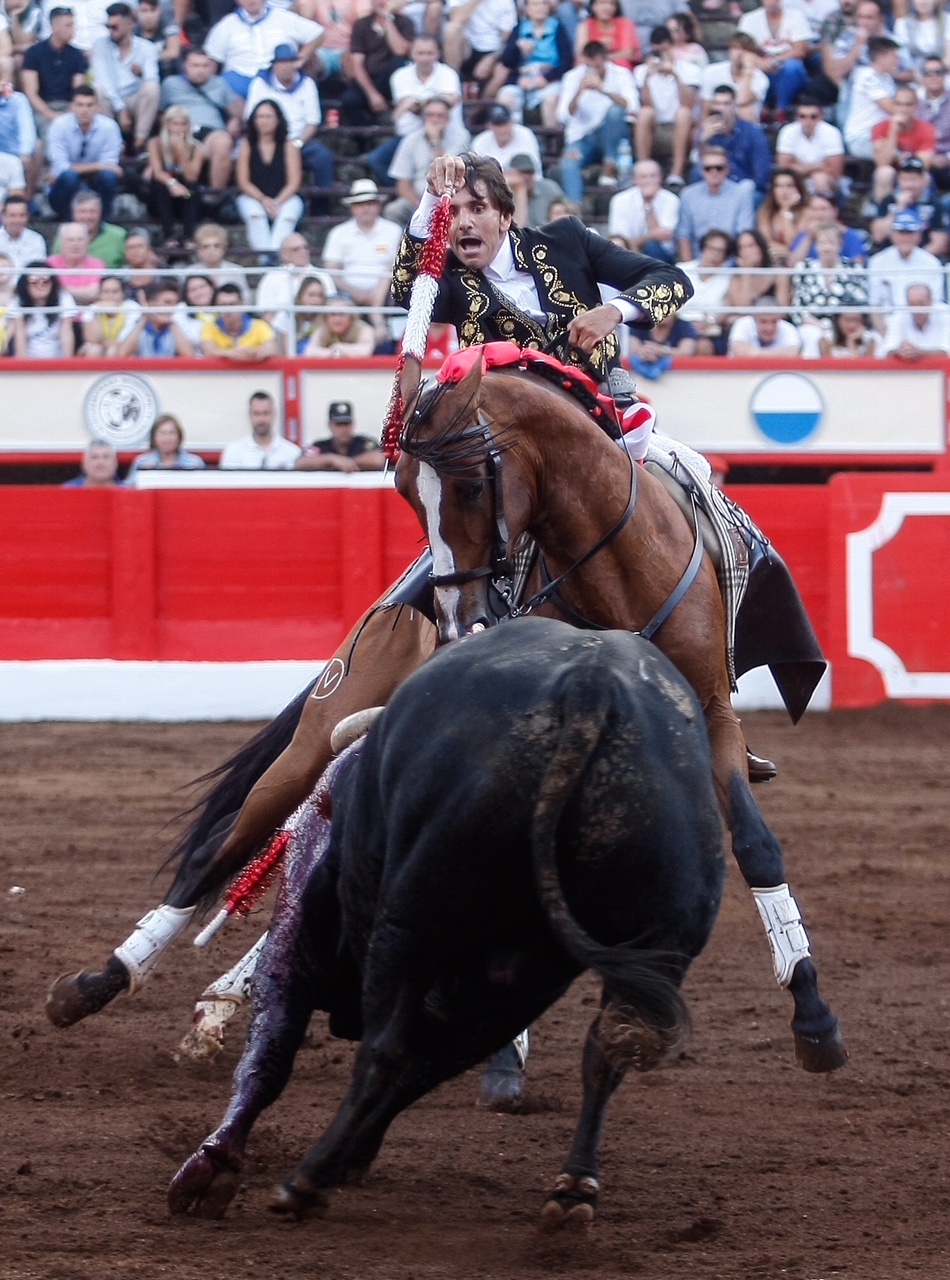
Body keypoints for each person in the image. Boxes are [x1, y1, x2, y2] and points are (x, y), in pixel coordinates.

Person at [391, 151, 692, 417]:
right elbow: (405, 290)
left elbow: (674, 280)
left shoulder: (566, 239)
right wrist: (431, 197)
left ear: (505, 217)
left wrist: (613, 311)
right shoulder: (449, 275)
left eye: (478, 208)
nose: (464, 223)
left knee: (679, 474)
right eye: (453, 213)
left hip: (600, 408)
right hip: (502, 424)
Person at [244, 42, 336, 209]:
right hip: (269, 141)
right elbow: (252, 118)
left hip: (299, 140)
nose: (287, 67)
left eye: (290, 62)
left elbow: (313, 122)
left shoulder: (307, 83)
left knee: (323, 157)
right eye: (282, 62)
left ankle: (321, 207)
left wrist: (297, 144)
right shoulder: (260, 84)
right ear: (274, 65)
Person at [556, 39, 640, 200]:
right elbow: (562, 116)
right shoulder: (573, 77)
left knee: (615, 111)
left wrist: (603, 89)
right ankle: (575, 213)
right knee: (569, 162)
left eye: (598, 65)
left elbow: (632, 106)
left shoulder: (621, 74)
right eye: (590, 65)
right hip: (582, 138)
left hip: (612, 137)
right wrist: (579, 92)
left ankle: (609, 165)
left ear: (605, 59)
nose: (593, 69)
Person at [322, 179, 403, 341]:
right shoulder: (339, 233)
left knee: (390, 272)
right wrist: (355, 292)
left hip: (387, 294)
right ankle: (377, 319)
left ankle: (377, 315)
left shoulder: (393, 230)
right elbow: (331, 269)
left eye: (370, 203)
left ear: (378, 206)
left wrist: (375, 295)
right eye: (360, 204)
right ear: (352, 208)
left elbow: (397, 265)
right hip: (347, 296)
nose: (365, 208)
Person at [160, 46, 243, 192]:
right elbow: (159, 114)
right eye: (195, 65)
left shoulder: (219, 83)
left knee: (223, 142)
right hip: (182, 130)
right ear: (185, 66)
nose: (201, 70)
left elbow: (238, 111)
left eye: (205, 66)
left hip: (211, 133)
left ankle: (216, 196)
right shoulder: (171, 84)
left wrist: (235, 119)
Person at [203, 0, 324, 99]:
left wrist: (300, 60)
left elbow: (318, 33)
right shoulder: (227, 24)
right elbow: (212, 57)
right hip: (239, 82)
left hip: (277, 78)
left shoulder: (284, 17)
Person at [484, 0, 573, 127]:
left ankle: (552, 143)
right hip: (521, 80)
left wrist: (546, 79)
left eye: (544, 3)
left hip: (549, 79)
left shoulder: (558, 28)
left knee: (551, 100)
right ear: (526, 8)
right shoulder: (519, 28)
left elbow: (566, 61)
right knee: (505, 98)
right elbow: (507, 62)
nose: (540, 8)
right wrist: (517, 46)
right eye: (535, 4)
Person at [236, 98, 304, 261]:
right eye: (260, 117)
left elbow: (294, 182)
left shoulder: (289, 145)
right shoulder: (247, 144)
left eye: (268, 117)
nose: (263, 121)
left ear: (278, 119)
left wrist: (277, 202)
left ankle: (276, 256)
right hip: (254, 196)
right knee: (255, 216)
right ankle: (265, 258)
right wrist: (263, 199)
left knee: (287, 216)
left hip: (284, 196)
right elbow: (243, 181)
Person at [633, 25, 699, 189]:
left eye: (664, 50)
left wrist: (675, 76)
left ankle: (676, 171)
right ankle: (643, 169)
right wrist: (649, 77)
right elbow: (646, 104)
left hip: (681, 127)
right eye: (657, 51)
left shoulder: (690, 70)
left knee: (683, 113)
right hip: (654, 129)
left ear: (672, 47)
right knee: (645, 113)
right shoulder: (642, 71)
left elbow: (688, 104)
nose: (661, 55)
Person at [387, 97, 471, 224]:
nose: (435, 120)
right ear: (423, 118)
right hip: (417, 199)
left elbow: (449, 173)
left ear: (448, 119)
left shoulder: (461, 137)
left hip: (452, 196)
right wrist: (423, 207)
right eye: (430, 115)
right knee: (393, 210)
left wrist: (435, 142)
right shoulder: (410, 140)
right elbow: (402, 185)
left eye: (440, 116)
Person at [90, 2, 160, 155]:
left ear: (130, 24)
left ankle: (140, 142)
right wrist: (120, 108)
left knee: (151, 88)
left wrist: (141, 74)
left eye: (115, 27)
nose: (111, 31)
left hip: (135, 98)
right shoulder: (100, 45)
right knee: (98, 89)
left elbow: (152, 77)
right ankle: (113, 144)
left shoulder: (147, 47)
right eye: (108, 27)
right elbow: (103, 80)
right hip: (111, 98)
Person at [45, 84, 123, 220]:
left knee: (108, 177)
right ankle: (69, 222)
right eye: (80, 105)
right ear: (72, 106)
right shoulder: (59, 125)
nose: (84, 110)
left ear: (97, 107)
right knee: (69, 177)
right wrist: (99, 166)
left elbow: (110, 164)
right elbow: (62, 167)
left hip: (95, 183)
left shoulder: (109, 127)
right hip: (64, 187)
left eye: (89, 105)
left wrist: (102, 167)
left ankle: (103, 222)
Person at [791, 219, 868, 355]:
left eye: (831, 243)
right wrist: (821, 326)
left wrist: (841, 327)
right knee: (814, 337)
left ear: (840, 245)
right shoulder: (804, 268)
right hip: (813, 324)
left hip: (845, 326)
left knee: (870, 337)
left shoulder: (853, 269)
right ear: (815, 246)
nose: (827, 248)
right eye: (822, 243)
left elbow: (860, 304)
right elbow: (798, 309)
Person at [868, 207, 945, 331]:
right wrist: (887, 336)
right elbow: (874, 305)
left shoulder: (932, 263)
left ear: (919, 235)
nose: (905, 237)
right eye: (901, 232)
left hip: (923, 327)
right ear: (892, 234)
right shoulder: (877, 262)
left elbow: (935, 304)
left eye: (910, 232)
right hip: (887, 325)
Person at [255, 231, 336, 350]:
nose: (303, 252)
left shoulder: (323, 276)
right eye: (296, 249)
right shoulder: (271, 277)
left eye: (305, 248)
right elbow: (266, 315)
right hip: (280, 333)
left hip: (318, 330)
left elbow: (331, 308)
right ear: (284, 254)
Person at [20, 6, 88, 143]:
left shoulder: (77, 55)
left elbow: (78, 90)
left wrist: (71, 112)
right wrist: (50, 114)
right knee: (49, 133)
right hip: (43, 106)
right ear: (55, 27)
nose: (73, 30)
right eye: (68, 25)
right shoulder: (34, 53)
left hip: (69, 107)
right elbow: (31, 93)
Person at [676, 146, 755, 261]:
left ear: (727, 169)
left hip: (730, 261)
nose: (714, 172)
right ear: (701, 170)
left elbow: (744, 233)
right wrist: (689, 268)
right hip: (698, 261)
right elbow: (684, 235)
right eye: (708, 168)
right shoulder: (688, 195)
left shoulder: (741, 194)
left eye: (719, 168)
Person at [342, 0, 415, 126]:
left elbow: (400, 50)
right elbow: (357, 64)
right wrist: (372, 94)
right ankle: (365, 141)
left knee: (399, 61)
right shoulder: (361, 24)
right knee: (350, 101)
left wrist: (387, 18)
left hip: (394, 78)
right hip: (369, 77)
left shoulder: (404, 22)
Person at [147, 106, 207, 249]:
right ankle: (169, 236)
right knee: (162, 187)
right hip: (164, 196)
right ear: (167, 125)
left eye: (183, 124)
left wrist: (181, 151)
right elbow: (157, 172)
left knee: (192, 190)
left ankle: (189, 236)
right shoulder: (155, 143)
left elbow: (192, 176)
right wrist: (172, 183)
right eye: (175, 124)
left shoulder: (197, 148)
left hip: (185, 197)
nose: (179, 128)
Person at [699, 83, 772, 198]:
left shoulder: (752, 132)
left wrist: (746, 188)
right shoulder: (706, 130)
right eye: (717, 103)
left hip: (745, 187)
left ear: (734, 105)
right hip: (716, 186)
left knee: (755, 197)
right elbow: (702, 166)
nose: (721, 108)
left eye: (726, 104)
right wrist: (703, 142)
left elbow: (762, 173)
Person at [736, 0, 811, 113]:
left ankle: (781, 109)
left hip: (786, 62)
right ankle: (762, 110)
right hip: (759, 63)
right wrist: (759, 62)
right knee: (751, 69)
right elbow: (743, 50)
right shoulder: (749, 19)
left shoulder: (796, 16)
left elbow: (800, 50)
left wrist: (775, 60)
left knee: (792, 67)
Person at [870, 154, 949, 256]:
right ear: (898, 179)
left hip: (923, 259)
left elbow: (939, 243)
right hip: (891, 257)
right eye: (905, 179)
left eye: (913, 179)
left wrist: (914, 260)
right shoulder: (889, 201)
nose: (909, 185)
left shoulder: (934, 204)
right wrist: (898, 208)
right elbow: (878, 236)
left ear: (923, 179)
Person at [871, 84, 937, 203]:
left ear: (916, 106)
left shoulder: (927, 128)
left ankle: (921, 215)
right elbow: (881, 162)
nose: (903, 109)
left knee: (924, 177)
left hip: (913, 174)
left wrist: (898, 157)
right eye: (899, 104)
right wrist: (893, 131)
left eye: (908, 104)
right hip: (892, 174)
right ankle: (883, 214)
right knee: (884, 172)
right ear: (893, 105)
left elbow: (923, 164)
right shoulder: (879, 128)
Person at [607, 156, 679, 261]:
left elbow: (663, 238)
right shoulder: (620, 200)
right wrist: (650, 235)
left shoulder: (671, 199)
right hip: (628, 254)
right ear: (634, 179)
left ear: (660, 178)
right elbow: (620, 241)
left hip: (661, 255)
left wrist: (648, 205)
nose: (648, 181)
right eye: (643, 177)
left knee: (652, 246)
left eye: (653, 176)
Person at [678, 227, 734, 354]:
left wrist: (709, 322)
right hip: (678, 324)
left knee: (704, 345)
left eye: (720, 251)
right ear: (702, 249)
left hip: (710, 327)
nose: (714, 254)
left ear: (726, 256)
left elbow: (727, 308)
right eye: (711, 248)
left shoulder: (728, 277)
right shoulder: (682, 270)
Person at [843, 35, 900, 160]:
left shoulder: (887, 77)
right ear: (881, 57)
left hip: (883, 135)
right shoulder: (866, 75)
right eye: (894, 56)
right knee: (903, 157)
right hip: (862, 138)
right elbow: (891, 109)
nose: (897, 61)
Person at [775, 95, 846, 196]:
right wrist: (820, 165)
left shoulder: (832, 133)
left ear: (821, 117)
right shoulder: (787, 131)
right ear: (797, 117)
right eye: (802, 116)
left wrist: (800, 166)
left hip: (826, 179)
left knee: (819, 178)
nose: (808, 121)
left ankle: (820, 209)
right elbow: (784, 167)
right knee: (786, 181)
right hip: (797, 178)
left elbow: (835, 170)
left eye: (813, 116)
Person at [443, 0, 517, 93]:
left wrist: (492, 58)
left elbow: (507, 39)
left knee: (502, 71)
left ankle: (482, 107)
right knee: (451, 29)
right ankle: (452, 84)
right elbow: (455, 18)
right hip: (467, 45)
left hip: (494, 48)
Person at [218, 389, 302, 468]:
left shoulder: (292, 453)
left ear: (274, 414)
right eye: (256, 413)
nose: (261, 419)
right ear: (249, 415)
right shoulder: (233, 452)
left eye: (266, 413)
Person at [295, 399, 386, 471]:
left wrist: (347, 462)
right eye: (339, 424)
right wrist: (331, 459)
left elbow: (379, 459)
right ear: (330, 425)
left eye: (346, 424)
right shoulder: (321, 445)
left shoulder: (363, 443)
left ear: (353, 424)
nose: (343, 429)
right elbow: (301, 462)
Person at [699, 33, 770, 124]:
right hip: (716, 120)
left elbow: (741, 100)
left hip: (744, 124)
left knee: (745, 109)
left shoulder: (761, 78)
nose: (740, 53)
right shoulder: (711, 71)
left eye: (745, 49)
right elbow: (706, 106)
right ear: (729, 51)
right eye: (736, 48)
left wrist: (748, 70)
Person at [10, 261, 76, 355]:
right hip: (29, 361)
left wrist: (68, 366)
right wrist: (23, 367)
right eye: (34, 282)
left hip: (58, 361)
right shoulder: (17, 301)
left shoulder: (63, 297)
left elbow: (66, 333)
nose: (40, 285)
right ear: (25, 284)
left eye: (45, 281)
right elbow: (20, 336)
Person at [200, 280, 278, 360]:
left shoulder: (260, 325)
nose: (227, 310)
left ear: (242, 304)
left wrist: (251, 353)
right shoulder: (209, 327)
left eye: (232, 304)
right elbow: (208, 351)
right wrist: (232, 353)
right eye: (222, 305)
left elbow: (271, 349)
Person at [118, 276, 195, 355]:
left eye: (174, 303)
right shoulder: (135, 324)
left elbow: (189, 356)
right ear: (152, 303)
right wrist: (145, 316)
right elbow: (122, 354)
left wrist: (171, 323)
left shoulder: (178, 325)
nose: (172, 308)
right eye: (167, 302)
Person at [727, 227, 791, 315]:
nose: (747, 251)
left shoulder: (779, 274)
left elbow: (782, 311)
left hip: (774, 323)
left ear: (761, 247)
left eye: (751, 246)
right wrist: (746, 273)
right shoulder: (736, 280)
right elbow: (743, 311)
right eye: (742, 247)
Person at [878, 280, 950, 357]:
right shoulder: (899, 316)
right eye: (912, 304)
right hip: (907, 368)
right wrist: (900, 352)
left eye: (921, 304)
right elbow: (887, 352)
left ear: (931, 301)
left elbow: (947, 352)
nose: (917, 309)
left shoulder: (945, 314)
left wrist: (920, 353)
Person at [469, 100, 543, 173]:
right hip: (492, 184)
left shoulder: (526, 135)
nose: (502, 129)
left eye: (505, 123)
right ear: (489, 126)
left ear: (512, 122)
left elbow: (531, 171)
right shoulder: (480, 141)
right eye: (497, 125)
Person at [756, 167, 810, 265]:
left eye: (789, 186)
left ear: (798, 188)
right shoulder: (765, 211)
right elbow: (764, 241)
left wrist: (786, 210)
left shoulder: (806, 212)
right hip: (774, 259)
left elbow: (794, 243)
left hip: (799, 262)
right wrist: (785, 251)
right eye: (779, 186)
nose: (784, 191)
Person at [79, 272, 141, 354]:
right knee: (94, 350)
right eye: (106, 292)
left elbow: (124, 340)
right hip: (100, 347)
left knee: (112, 350)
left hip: (124, 348)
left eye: (115, 292)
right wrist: (98, 313)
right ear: (100, 294)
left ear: (123, 293)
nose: (110, 296)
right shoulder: (93, 309)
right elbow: (92, 339)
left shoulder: (132, 307)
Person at [46, 220, 104, 305]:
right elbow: (48, 293)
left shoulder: (97, 264)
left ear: (87, 242)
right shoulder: (49, 264)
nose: (75, 244)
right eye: (70, 240)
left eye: (80, 240)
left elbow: (94, 293)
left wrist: (61, 289)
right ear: (61, 243)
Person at [128, 413, 206, 475]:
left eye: (171, 433)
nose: (167, 438)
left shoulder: (194, 462)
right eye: (163, 433)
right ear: (154, 437)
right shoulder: (142, 462)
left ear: (179, 436)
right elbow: (129, 489)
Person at [626, 309, 697, 377]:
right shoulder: (639, 324)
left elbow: (686, 352)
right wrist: (647, 353)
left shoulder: (684, 326)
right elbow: (633, 349)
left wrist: (661, 351)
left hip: (677, 376)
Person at [186, 222, 249, 299]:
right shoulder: (190, 272)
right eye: (206, 246)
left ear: (224, 249)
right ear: (199, 250)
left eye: (216, 246)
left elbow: (245, 298)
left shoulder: (236, 271)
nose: (211, 250)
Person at [301, 292, 376, 355]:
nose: (337, 319)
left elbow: (365, 351)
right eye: (333, 314)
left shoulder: (364, 329)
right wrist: (333, 352)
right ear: (326, 318)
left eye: (341, 314)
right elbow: (309, 352)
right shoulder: (322, 329)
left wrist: (340, 348)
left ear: (351, 317)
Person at [916, 54, 950, 191]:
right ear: (922, 77)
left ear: (945, 75)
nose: (933, 76)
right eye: (928, 73)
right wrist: (930, 159)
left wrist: (948, 157)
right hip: (922, 161)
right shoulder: (913, 102)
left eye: (938, 72)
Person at [573, 0, 639, 70]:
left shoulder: (625, 23)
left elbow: (629, 54)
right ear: (593, 6)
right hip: (590, 67)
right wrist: (599, 44)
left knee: (621, 63)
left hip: (620, 69)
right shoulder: (585, 25)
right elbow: (581, 54)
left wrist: (598, 56)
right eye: (602, 3)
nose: (607, 7)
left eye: (612, 4)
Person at [505, 149, 565, 225]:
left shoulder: (549, 189)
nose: (526, 177)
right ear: (510, 173)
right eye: (522, 172)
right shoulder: (505, 195)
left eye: (530, 172)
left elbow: (570, 211)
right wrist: (520, 189)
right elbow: (517, 228)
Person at [68, 189, 125, 266]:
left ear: (100, 213)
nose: (88, 216)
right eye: (83, 211)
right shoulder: (64, 236)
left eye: (92, 211)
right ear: (73, 214)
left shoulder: (119, 235)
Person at [727, 300, 803, 355]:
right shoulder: (742, 324)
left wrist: (753, 353)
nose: (769, 327)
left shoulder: (788, 328)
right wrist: (780, 353)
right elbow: (740, 353)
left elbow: (793, 353)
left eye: (774, 321)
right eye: (764, 321)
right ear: (754, 320)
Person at [133, 0, 180, 78]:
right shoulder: (133, 31)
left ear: (159, 10)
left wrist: (148, 59)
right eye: (144, 11)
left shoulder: (168, 24)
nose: (149, 15)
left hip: (170, 73)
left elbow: (173, 52)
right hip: (143, 77)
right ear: (137, 12)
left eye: (153, 10)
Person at [0, 192, 46, 266]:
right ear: (3, 217)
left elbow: (37, 270)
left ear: (28, 216)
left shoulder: (36, 240)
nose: (18, 220)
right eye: (13, 215)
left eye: (22, 215)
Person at [173, 270, 216, 348]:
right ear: (187, 295)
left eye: (202, 287)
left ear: (212, 288)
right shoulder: (181, 310)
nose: (199, 292)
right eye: (193, 290)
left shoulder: (224, 305)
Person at [290, 273, 329, 352]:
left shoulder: (327, 320)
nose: (316, 300)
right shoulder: (288, 317)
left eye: (320, 296)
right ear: (300, 296)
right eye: (311, 295)